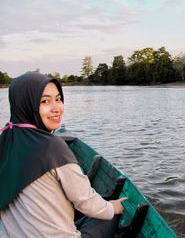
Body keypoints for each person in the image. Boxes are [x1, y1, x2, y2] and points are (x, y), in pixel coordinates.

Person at [0, 72, 127, 238]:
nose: (56, 108)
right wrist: (114, 208)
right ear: (26, 104)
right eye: (45, 101)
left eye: (58, 99)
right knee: (109, 216)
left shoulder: (6, 138)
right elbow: (86, 202)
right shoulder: (52, 146)